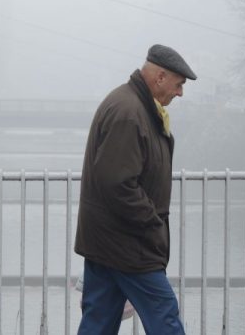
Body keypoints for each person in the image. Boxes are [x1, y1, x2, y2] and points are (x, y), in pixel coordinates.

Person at [75, 44, 196, 335]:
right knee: (164, 315)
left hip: (107, 241)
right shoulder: (130, 113)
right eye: (179, 84)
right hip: (129, 243)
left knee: (99, 321)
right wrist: (152, 223)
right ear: (160, 77)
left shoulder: (133, 106)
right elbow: (117, 183)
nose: (180, 93)